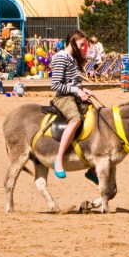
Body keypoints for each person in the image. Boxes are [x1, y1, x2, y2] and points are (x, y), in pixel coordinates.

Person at [50, 30, 95, 179]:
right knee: (75, 119)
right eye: (82, 45)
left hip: (75, 96)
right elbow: (56, 85)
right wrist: (77, 90)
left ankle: (93, 168)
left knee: (96, 119)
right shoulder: (61, 58)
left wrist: (83, 90)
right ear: (72, 43)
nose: (84, 48)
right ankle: (59, 159)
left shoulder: (72, 59)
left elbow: (73, 83)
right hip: (63, 98)